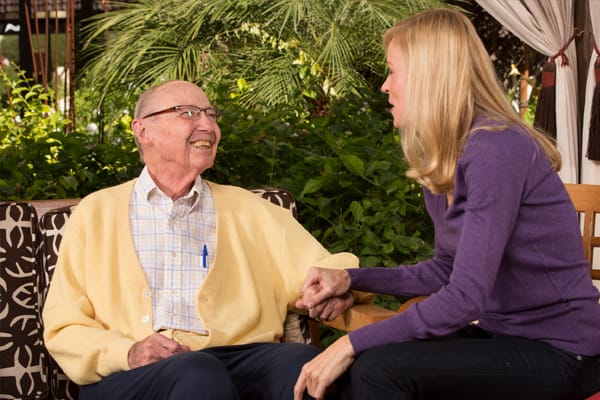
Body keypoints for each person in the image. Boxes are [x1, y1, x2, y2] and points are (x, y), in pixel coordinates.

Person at [293, 8, 600, 400]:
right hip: (502, 337)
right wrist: (351, 278)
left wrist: (349, 343)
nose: (385, 86)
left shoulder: (496, 148)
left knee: (376, 370)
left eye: (393, 71)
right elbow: (445, 270)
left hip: (563, 350)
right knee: (360, 372)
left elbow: (464, 298)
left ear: (428, 77)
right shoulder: (445, 160)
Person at [42, 80, 359, 400]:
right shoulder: (95, 214)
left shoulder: (251, 211)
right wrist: (129, 351)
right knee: (197, 373)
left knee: (301, 365)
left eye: (211, 114)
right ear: (142, 130)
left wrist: (341, 284)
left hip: (239, 358)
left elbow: (325, 269)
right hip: (132, 372)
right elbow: (64, 327)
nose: (207, 125)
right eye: (188, 113)